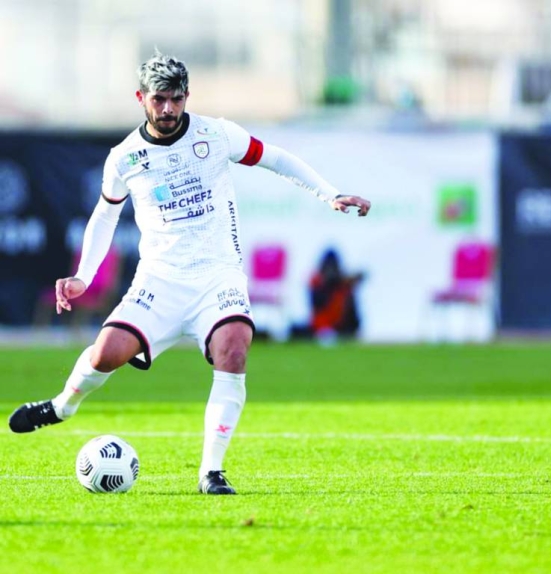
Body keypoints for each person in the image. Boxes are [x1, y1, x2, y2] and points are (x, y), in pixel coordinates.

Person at [7, 51, 371, 495]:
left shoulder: (216, 135)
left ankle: (211, 472)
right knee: (105, 355)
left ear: (186, 96)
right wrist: (84, 275)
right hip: (159, 281)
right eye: (159, 99)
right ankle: (62, 406)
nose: (168, 109)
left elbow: (275, 158)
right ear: (141, 98)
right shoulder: (125, 157)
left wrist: (329, 194)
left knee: (233, 349)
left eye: (176, 99)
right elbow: (104, 216)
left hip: (218, 276)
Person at [309, 248, 364, 341]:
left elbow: (361, 276)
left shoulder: (345, 285)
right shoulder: (316, 282)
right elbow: (318, 301)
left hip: (343, 325)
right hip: (322, 327)